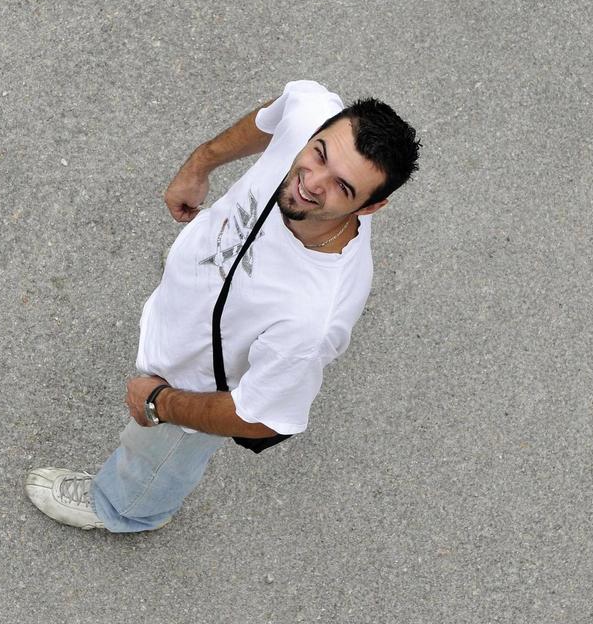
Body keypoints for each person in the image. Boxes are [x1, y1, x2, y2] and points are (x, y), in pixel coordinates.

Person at [24, 80, 420, 533]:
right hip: (195, 300)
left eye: (342, 188)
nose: (311, 183)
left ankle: (124, 508)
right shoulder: (312, 109)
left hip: (197, 386)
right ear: (318, 130)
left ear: (372, 207)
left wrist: (160, 402)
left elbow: (255, 416)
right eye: (319, 154)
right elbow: (275, 116)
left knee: (157, 454)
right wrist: (200, 163)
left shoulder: (312, 319)